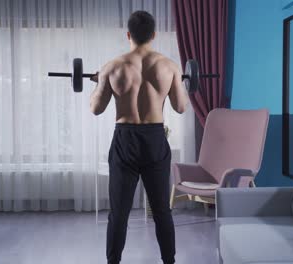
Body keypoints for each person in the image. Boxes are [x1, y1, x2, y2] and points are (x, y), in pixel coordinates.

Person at [89, 10, 189, 264]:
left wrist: (99, 83)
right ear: (154, 35)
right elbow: (181, 107)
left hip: (125, 140)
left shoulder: (112, 67)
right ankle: (169, 262)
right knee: (162, 211)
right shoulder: (170, 66)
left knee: (119, 213)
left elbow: (96, 108)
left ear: (128, 34)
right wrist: (179, 82)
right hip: (155, 139)